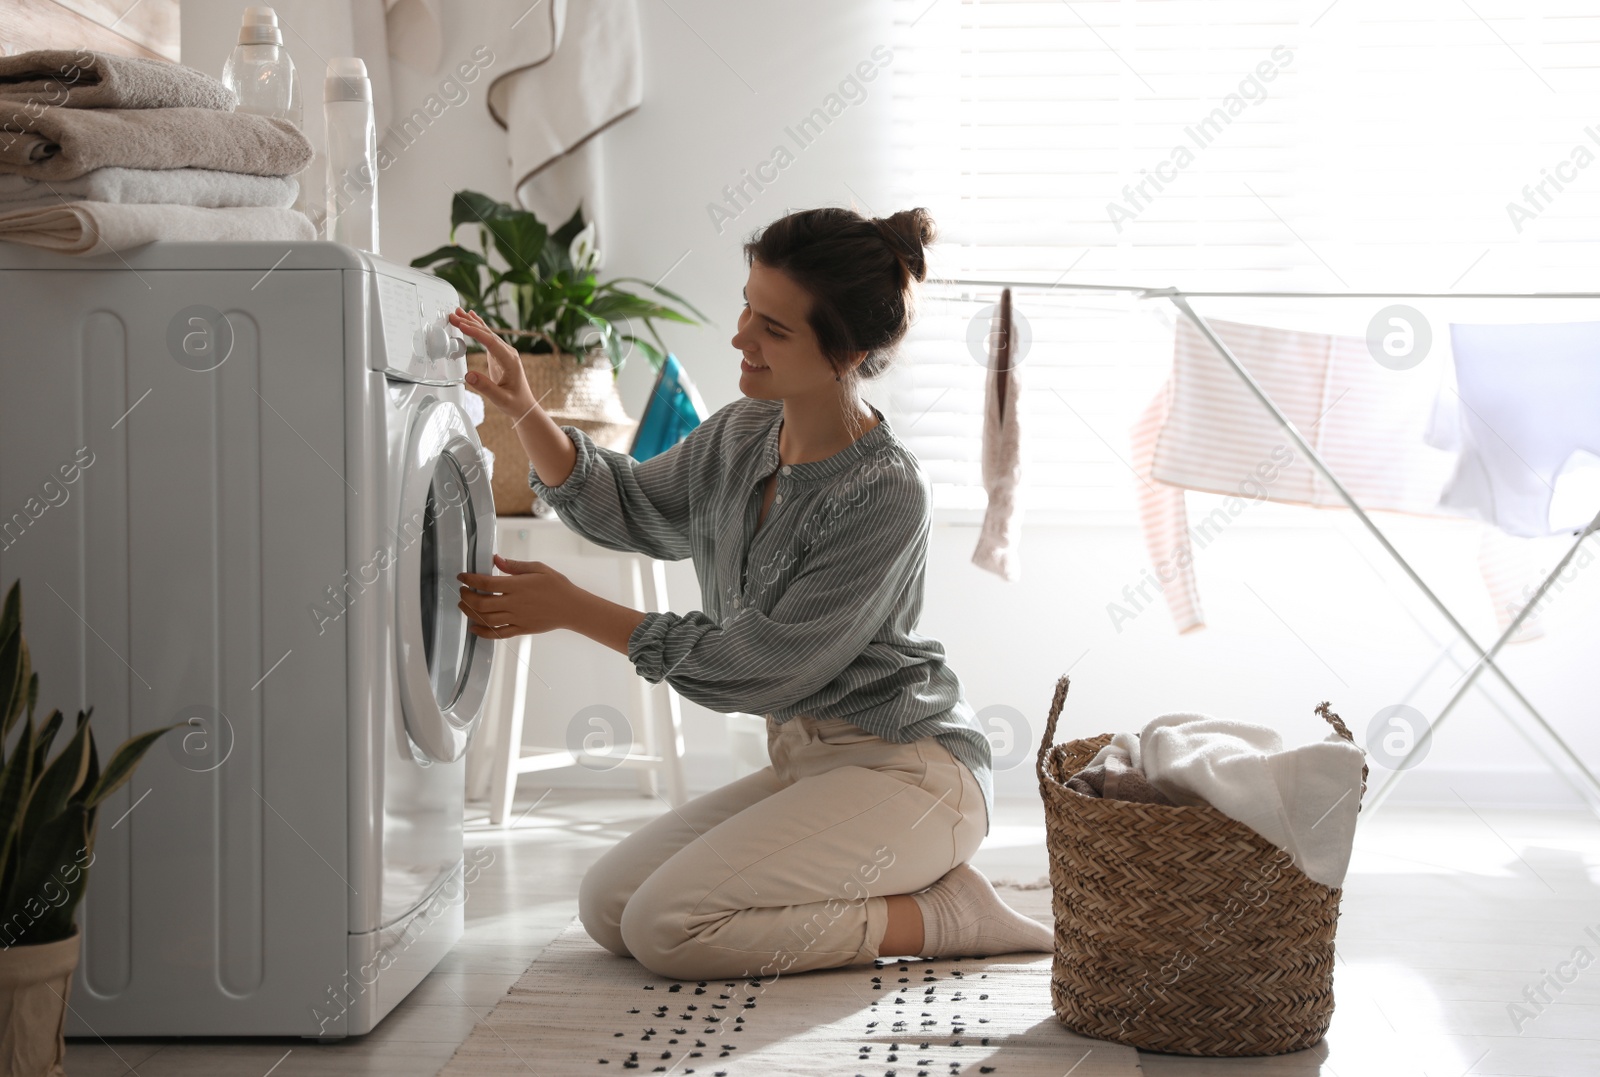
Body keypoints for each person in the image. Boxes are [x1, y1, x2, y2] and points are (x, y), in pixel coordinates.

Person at [450, 205, 1051, 981]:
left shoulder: (886, 490)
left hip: (913, 773)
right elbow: (628, 505)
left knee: (669, 927)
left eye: (774, 327)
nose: (741, 336)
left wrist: (573, 609)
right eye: (747, 306)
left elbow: (759, 667)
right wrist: (527, 409)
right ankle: (897, 884)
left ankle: (944, 912)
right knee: (609, 907)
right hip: (810, 764)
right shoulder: (742, 433)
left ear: (849, 352)